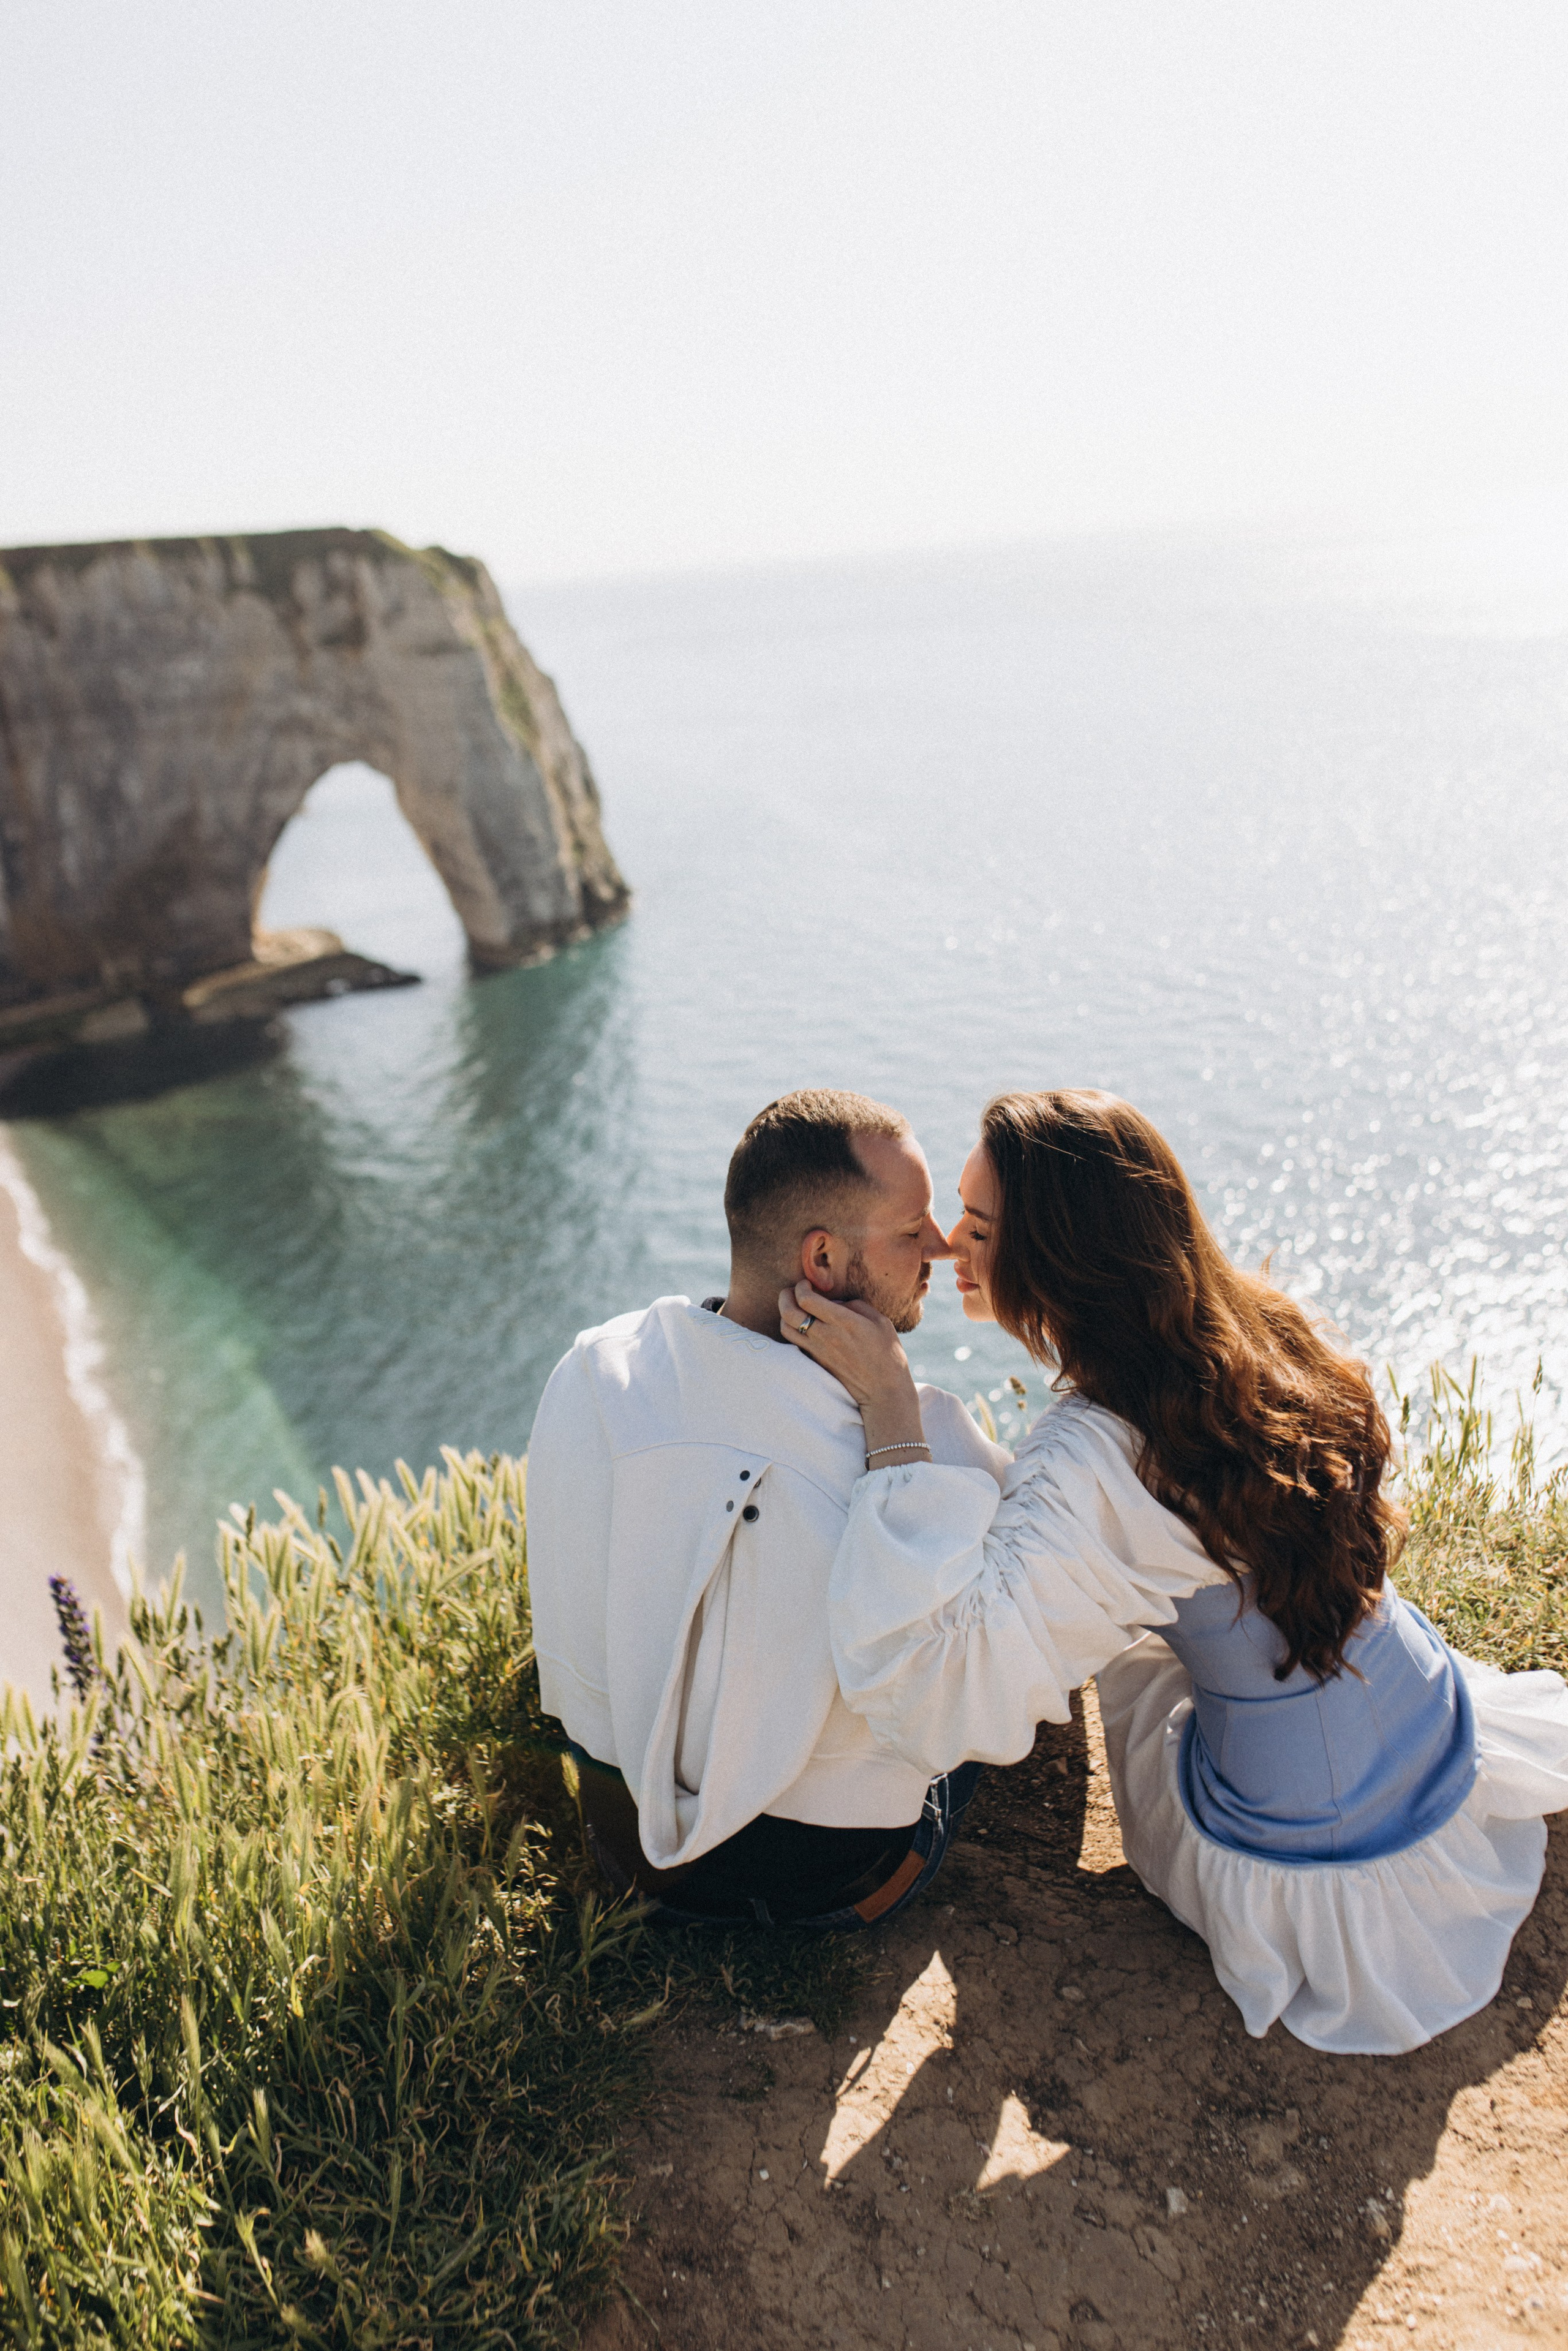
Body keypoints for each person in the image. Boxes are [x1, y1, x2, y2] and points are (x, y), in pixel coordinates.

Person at [782, 1088, 1568, 2053]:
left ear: (1058, 1256)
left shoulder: (1099, 1450)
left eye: (980, 1228)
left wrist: (894, 1422)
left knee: (1128, 1659)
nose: (945, 1246)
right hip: (1421, 1713)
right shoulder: (1250, 1326)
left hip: (1314, 1855)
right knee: (1137, 1618)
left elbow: (941, 1691)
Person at [525, 1088, 1008, 1928]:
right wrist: (893, 1406)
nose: (941, 1242)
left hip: (623, 1842)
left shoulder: (594, 1370)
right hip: (828, 1876)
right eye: (911, 1228)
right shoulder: (921, 1439)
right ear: (821, 1263)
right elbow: (987, 1640)